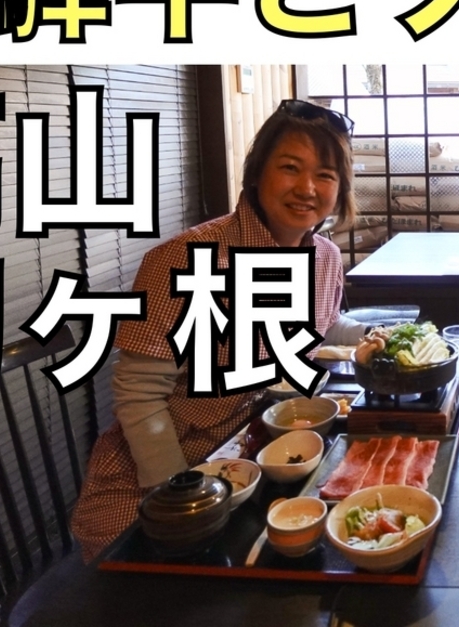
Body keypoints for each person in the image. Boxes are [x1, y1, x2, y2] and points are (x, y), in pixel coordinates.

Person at [71, 99, 367, 562]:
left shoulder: (323, 257)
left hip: (255, 459)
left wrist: (376, 337)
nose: (307, 188)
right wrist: (180, 494)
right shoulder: (184, 259)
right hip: (157, 489)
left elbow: (320, 327)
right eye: (290, 168)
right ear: (257, 172)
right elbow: (140, 392)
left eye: (325, 175)